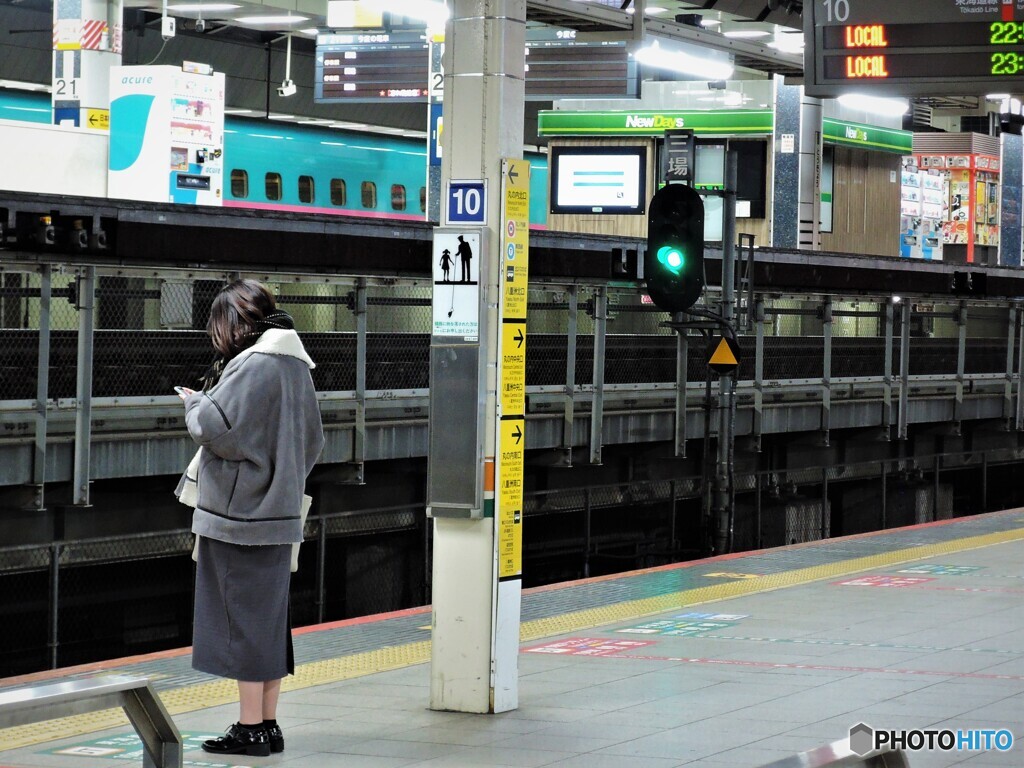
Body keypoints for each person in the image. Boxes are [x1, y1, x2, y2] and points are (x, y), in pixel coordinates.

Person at [175, 279, 324, 757]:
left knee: (240, 623)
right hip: (278, 514)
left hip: (240, 517)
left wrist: (192, 401)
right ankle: (267, 725)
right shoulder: (296, 363)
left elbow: (213, 427)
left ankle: (248, 727)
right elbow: (314, 440)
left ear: (237, 324)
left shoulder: (253, 364)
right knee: (268, 623)